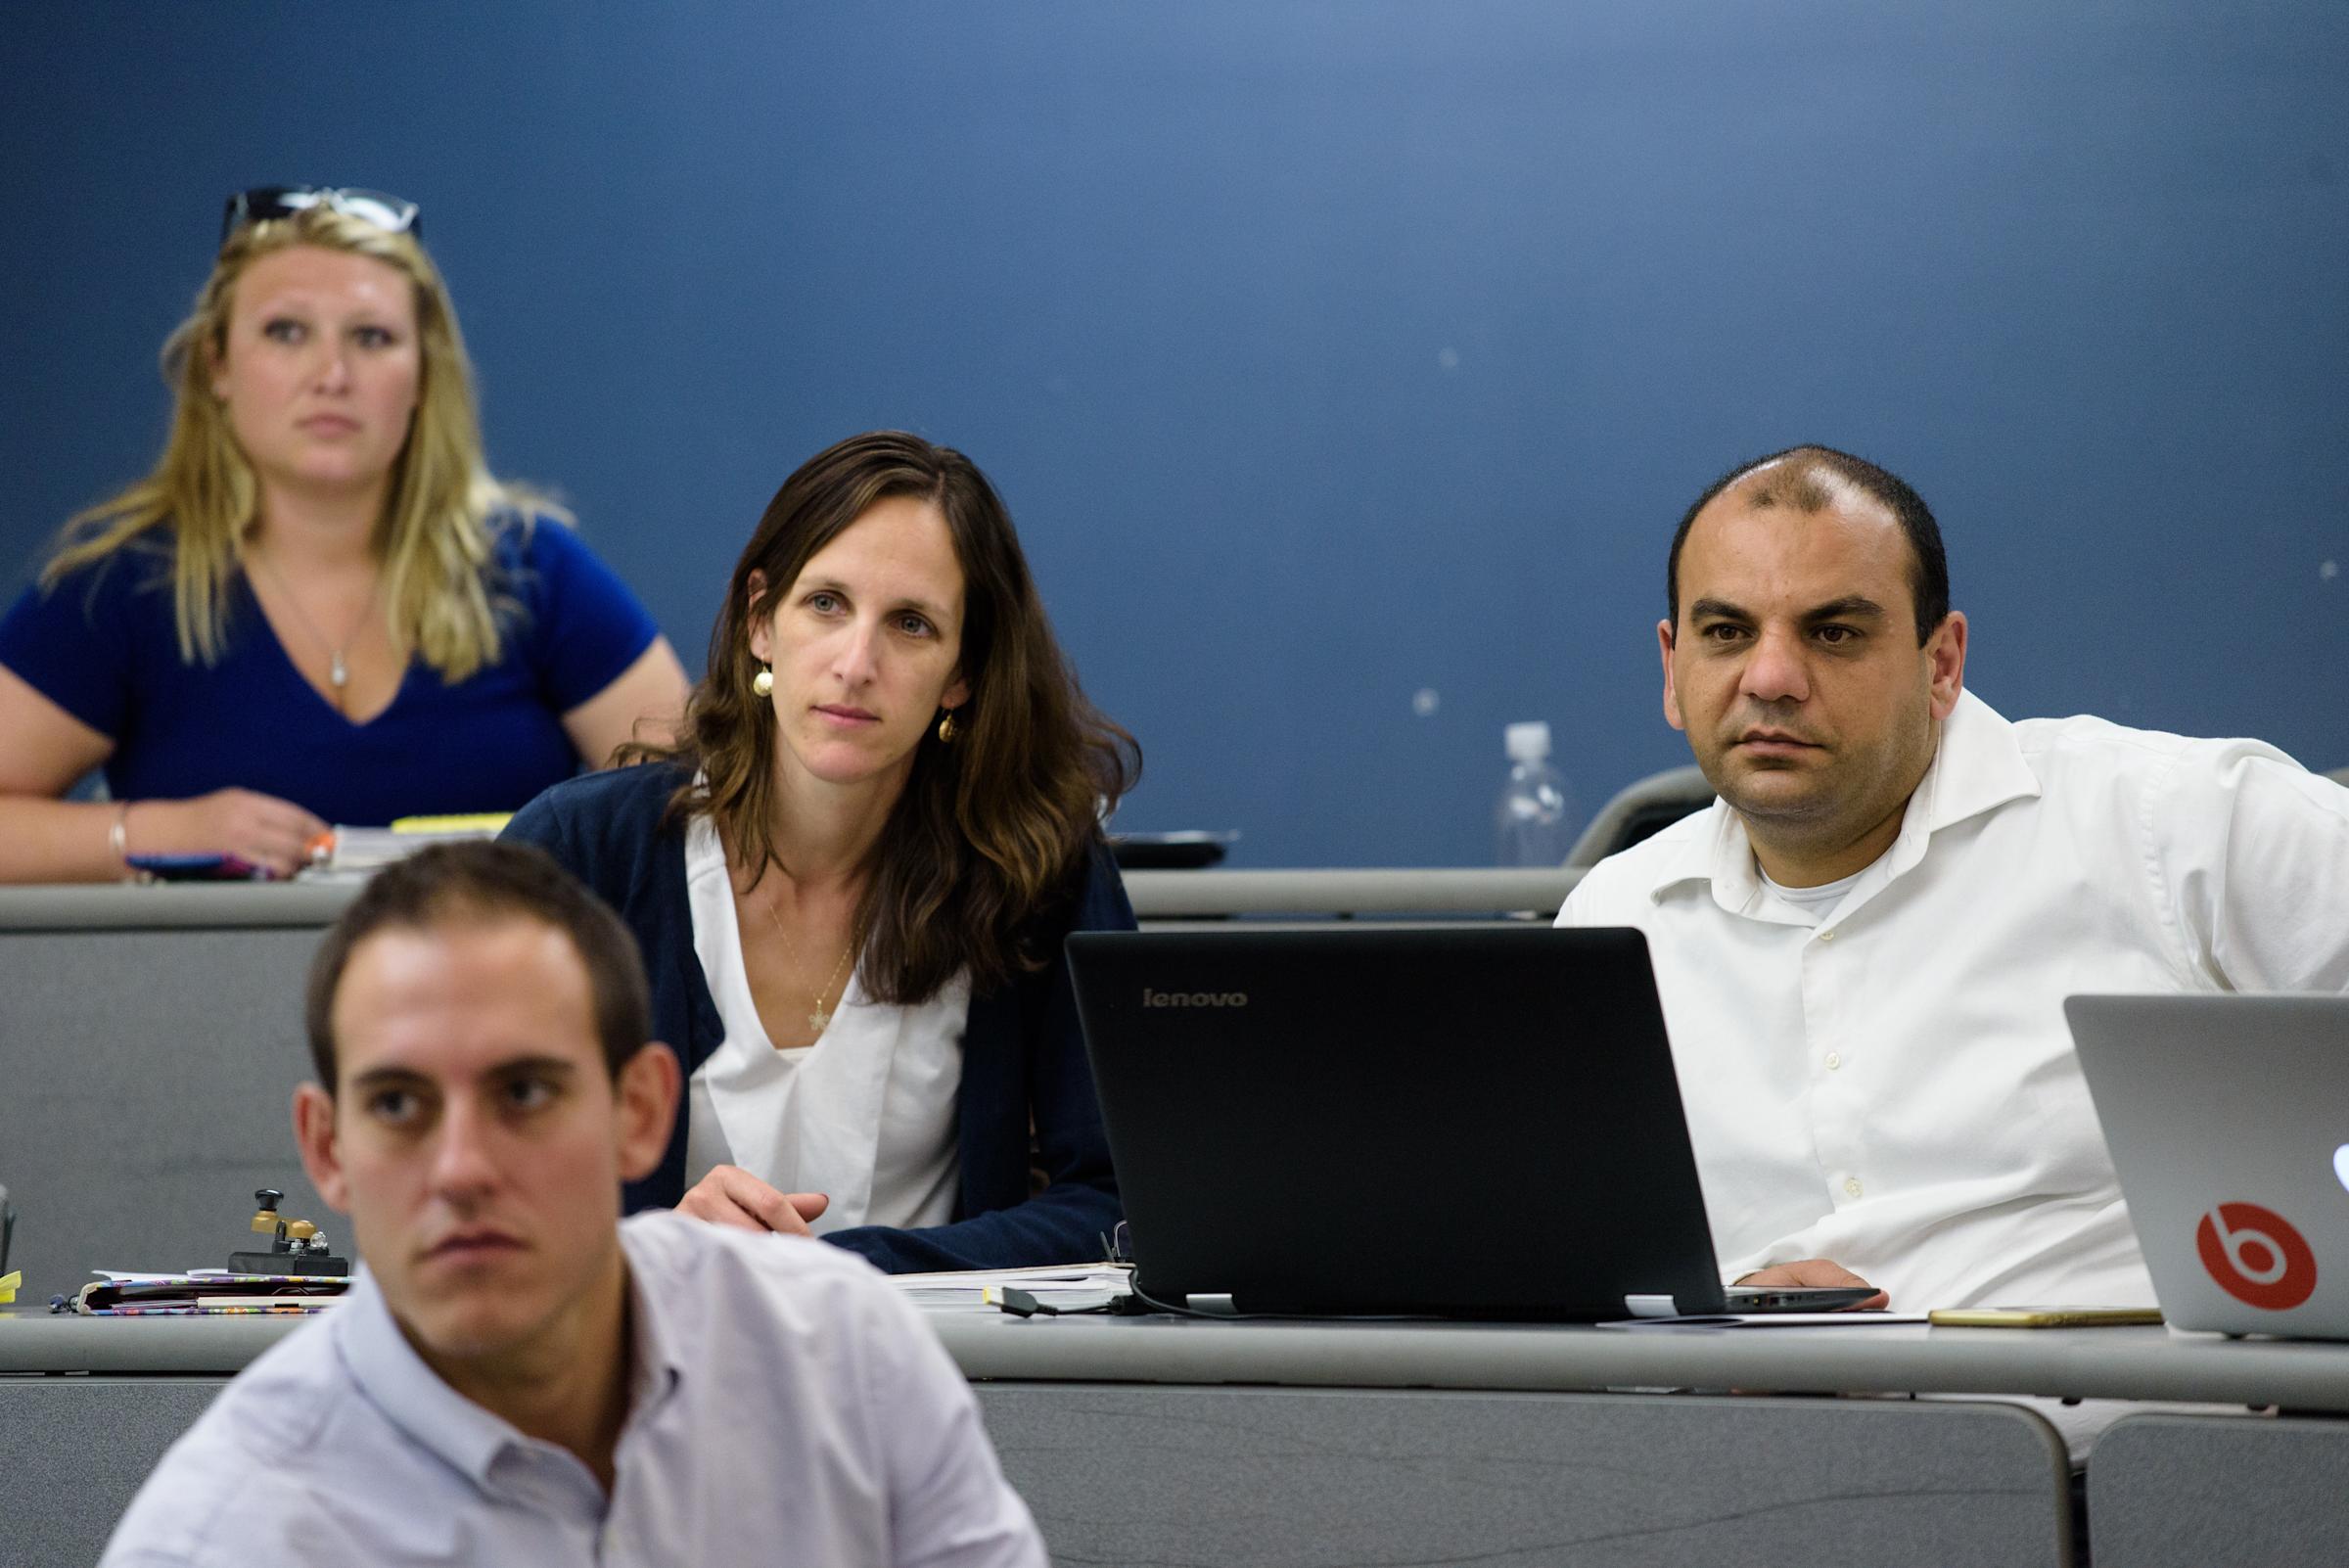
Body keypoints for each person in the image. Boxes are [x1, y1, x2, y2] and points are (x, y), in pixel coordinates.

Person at [1558, 444, 2349, 1313]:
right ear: (1673, 670)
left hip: (2126, 1439)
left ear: (1942, 665)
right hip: (1731, 1434)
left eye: (1834, 633)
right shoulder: (1614, 915)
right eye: (1726, 633)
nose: (1772, 679)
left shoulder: (2177, 825)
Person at [101, 841, 1046, 1566]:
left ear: (640, 1113)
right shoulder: (226, 1537)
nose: (462, 1167)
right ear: (327, 1149)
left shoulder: (841, 1360)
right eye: (398, 1105)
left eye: (524, 1093)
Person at [501, 430, 1139, 1272]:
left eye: (912, 625)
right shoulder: (577, 854)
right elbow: (459, 1167)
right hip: (632, 1377)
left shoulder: (1039, 869)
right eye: (827, 604)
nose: (856, 663)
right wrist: (650, 1251)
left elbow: (1121, 1196)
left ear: (962, 674)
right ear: (763, 621)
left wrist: (851, 1268)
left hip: (940, 1378)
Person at [0, 186, 688, 882]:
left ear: (424, 374)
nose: (331, 376)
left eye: (371, 337)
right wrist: (149, 831)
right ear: (218, 368)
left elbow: (698, 804)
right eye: (286, 332)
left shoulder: (534, 570)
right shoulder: (123, 587)